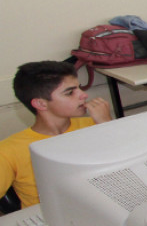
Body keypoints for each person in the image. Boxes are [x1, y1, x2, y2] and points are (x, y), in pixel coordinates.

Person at [0, 61, 112, 208]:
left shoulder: (96, 124)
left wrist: (107, 126)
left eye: (79, 88)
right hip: (48, 216)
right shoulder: (9, 150)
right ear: (41, 104)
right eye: (70, 93)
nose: (84, 95)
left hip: (100, 206)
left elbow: (129, 170)